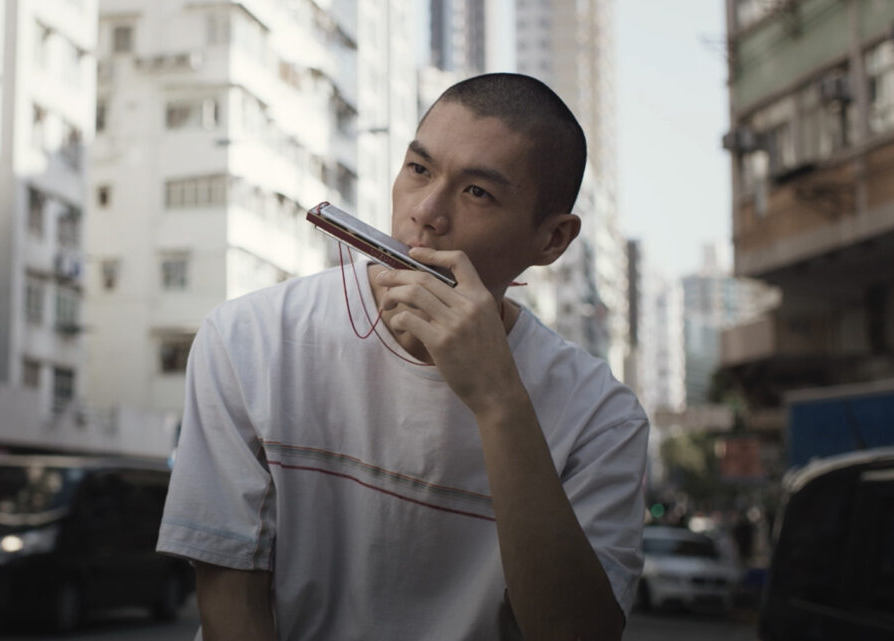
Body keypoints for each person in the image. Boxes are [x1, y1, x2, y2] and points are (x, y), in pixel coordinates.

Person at [156, 73, 650, 640]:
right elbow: (230, 608)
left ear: (552, 240)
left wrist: (499, 400)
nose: (427, 212)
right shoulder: (250, 340)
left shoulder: (602, 418)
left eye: (477, 193)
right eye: (419, 169)